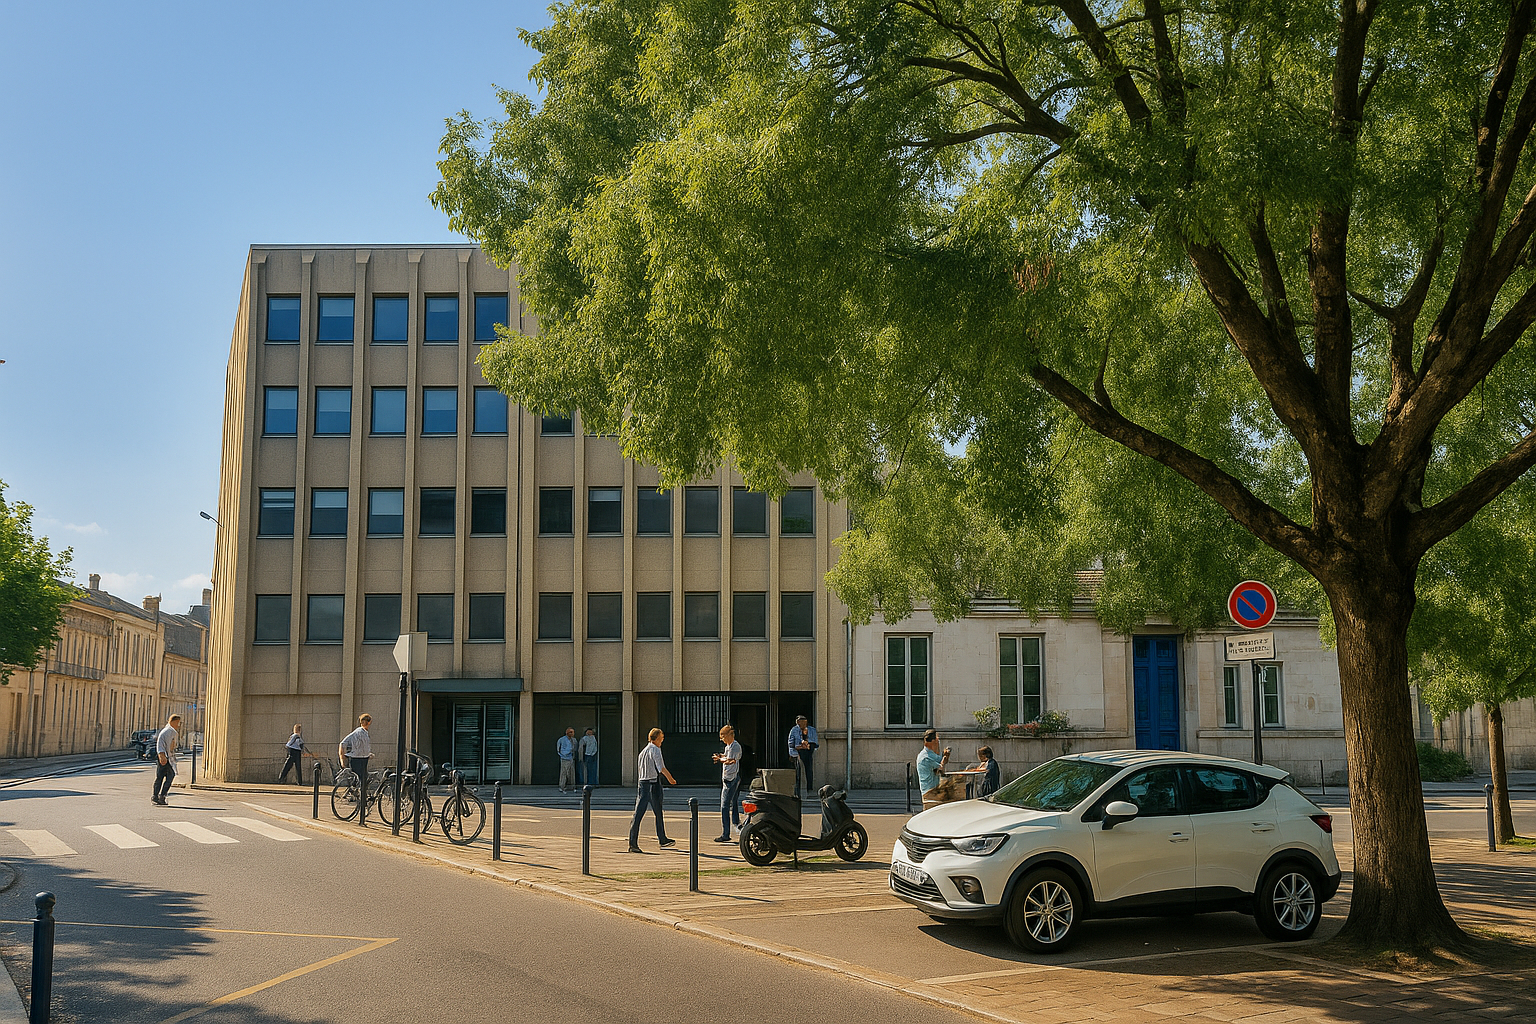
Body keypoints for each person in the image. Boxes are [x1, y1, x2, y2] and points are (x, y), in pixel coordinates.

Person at [627, 728, 678, 852]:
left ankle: (658, 838)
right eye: (661, 738)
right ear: (656, 738)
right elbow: (661, 767)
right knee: (654, 812)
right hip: (652, 783)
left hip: (642, 782)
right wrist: (671, 779)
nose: (662, 740)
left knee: (640, 813)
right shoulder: (655, 749)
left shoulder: (643, 751)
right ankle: (637, 843)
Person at [713, 725, 743, 842]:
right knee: (733, 802)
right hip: (729, 777)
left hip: (731, 779)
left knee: (724, 806)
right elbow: (727, 757)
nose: (722, 740)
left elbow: (731, 761)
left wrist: (720, 759)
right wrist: (720, 756)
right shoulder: (729, 746)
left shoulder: (735, 746)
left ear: (730, 735)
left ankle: (726, 834)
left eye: (723, 737)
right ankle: (737, 823)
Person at [916, 729, 950, 809]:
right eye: (937, 739)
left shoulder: (930, 753)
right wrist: (944, 757)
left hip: (934, 790)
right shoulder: (925, 757)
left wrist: (945, 756)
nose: (938, 741)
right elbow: (941, 767)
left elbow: (941, 760)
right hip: (929, 792)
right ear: (933, 741)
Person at [151, 714, 181, 805]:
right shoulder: (169, 731)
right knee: (170, 776)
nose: (178, 725)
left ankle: (156, 796)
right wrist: (162, 756)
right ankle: (161, 796)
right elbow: (162, 744)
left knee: (160, 777)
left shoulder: (168, 730)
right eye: (177, 723)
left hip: (166, 756)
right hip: (165, 757)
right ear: (173, 722)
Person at [787, 714, 818, 798]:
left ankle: (810, 790)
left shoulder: (812, 730)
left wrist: (808, 745)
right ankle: (797, 792)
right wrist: (799, 746)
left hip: (808, 751)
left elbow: (815, 743)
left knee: (809, 771)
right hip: (797, 752)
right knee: (797, 773)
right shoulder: (794, 730)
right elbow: (791, 743)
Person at [339, 713, 373, 784]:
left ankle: (358, 789)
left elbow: (363, 746)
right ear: (369, 722)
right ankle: (356, 789)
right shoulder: (358, 732)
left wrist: (368, 753)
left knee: (362, 779)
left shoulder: (364, 733)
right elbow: (342, 743)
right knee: (361, 779)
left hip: (363, 758)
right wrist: (342, 758)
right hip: (357, 758)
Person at [557, 727, 578, 792]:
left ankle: (572, 786)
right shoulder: (562, 740)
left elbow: (575, 748)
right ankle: (562, 786)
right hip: (564, 758)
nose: (572, 734)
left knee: (571, 773)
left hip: (571, 758)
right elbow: (558, 749)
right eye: (570, 732)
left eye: (573, 732)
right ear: (567, 733)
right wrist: (563, 755)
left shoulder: (574, 740)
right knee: (564, 773)